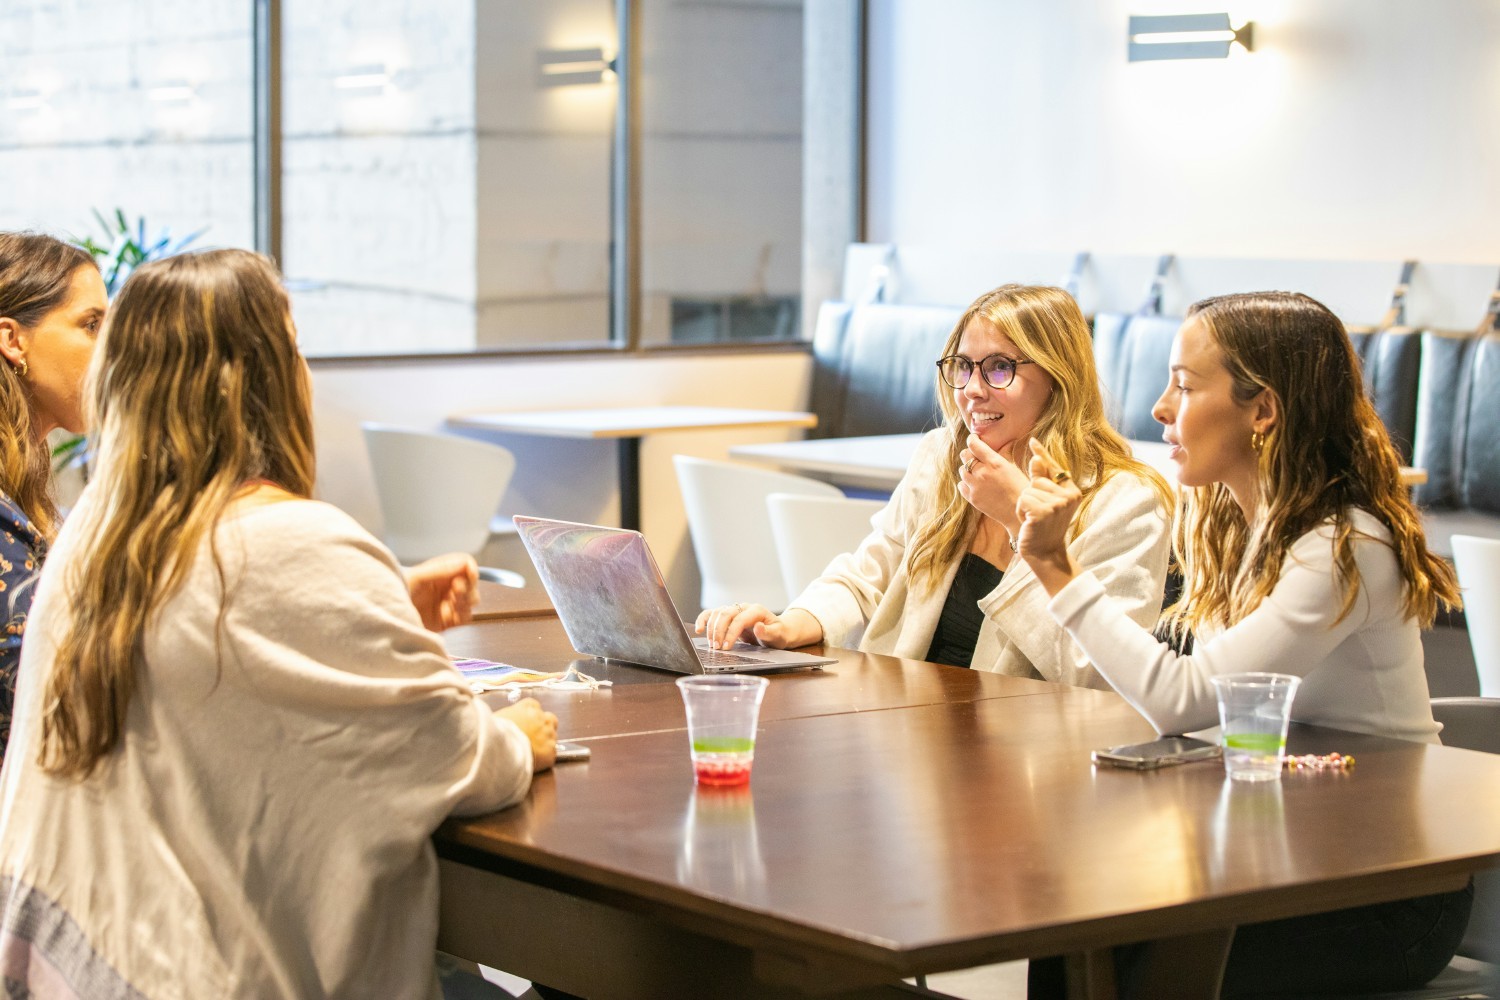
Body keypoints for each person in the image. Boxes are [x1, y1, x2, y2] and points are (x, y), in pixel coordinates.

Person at [0, 248, 558, 999]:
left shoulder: (89, 540)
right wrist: (517, 737)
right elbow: (453, 757)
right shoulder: (295, 540)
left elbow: (215, 658)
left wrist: (376, 604)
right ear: (270, 376)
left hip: (70, 965)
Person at [1016, 290, 1469, 997]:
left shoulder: (1344, 546)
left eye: (1186, 385)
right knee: (1071, 941)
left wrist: (1055, 567)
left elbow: (1189, 702)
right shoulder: (1240, 525)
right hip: (1282, 854)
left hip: (1390, 893)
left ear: (1263, 410)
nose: (1162, 408)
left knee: (1113, 956)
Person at [698, 283, 1173, 687]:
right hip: (907, 728)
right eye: (964, 367)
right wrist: (789, 624)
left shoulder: (1124, 501)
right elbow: (871, 572)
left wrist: (1017, 522)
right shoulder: (942, 454)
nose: (971, 389)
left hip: (1029, 760)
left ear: (1059, 379)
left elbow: (1099, 677)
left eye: (999, 368)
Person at [0, 231, 108, 757]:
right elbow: (35, 694)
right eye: (91, 325)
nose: (109, 348)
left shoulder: (23, 484)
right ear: (12, 339)